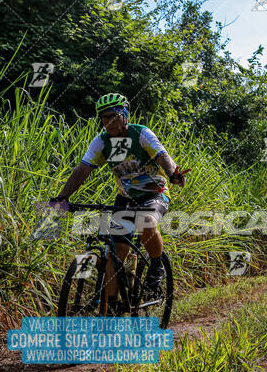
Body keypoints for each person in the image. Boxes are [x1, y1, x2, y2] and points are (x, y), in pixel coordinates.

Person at [50, 93, 189, 315]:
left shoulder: (140, 133)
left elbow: (163, 156)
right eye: (103, 118)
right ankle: (112, 307)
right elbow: (83, 170)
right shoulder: (102, 141)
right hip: (125, 198)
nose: (108, 122)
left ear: (124, 115)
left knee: (146, 223)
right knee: (116, 251)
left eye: (113, 116)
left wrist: (173, 173)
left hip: (153, 194)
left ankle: (156, 266)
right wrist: (62, 196)